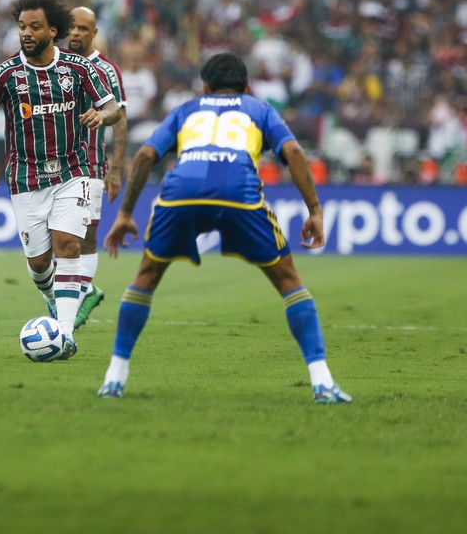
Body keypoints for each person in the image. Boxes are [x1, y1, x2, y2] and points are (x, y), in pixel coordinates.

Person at [99, 53, 351, 405]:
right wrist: (315, 210)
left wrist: (125, 214)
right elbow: (293, 150)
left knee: (146, 276)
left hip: (181, 194)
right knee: (289, 281)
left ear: (204, 87)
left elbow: (142, 157)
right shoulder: (259, 109)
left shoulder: (188, 109)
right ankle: (322, 382)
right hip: (239, 196)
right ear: (247, 87)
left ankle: (114, 378)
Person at [0, 0, 123, 358]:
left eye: (34, 27)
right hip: (25, 178)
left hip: (74, 170)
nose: (26, 33)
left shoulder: (79, 69)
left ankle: (66, 334)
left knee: (68, 245)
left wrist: (101, 116)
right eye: (22, 26)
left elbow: (114, 109)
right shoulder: (5, 74)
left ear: (53, 30)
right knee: (39, 264)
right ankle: (54, 301)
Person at [65, 6, 128, 331]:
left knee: (85, 237)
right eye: (72, 27)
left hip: (90, 165)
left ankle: (79, 299)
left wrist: (115, 169)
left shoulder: (106, 69)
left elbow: (119, 120)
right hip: (56, 166)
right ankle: (85, 289)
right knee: (55, 238)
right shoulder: (56, 63)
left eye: (83, 28)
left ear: (94, 33)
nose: (76, 33)